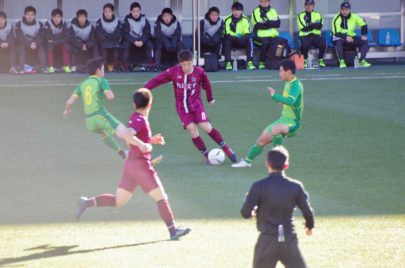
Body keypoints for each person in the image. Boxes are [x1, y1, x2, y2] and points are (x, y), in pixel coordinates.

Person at [75, 88, 191, 240]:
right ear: (150, 104)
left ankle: (87, 203)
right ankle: (173, 230)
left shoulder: (137, 118)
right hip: (141, 166)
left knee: (119, 201)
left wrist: (150, 140)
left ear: (133, 104)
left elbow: (132, 136)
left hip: (131, 166)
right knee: (161, 198)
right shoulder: (140, 119)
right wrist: (143, 145)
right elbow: (128, 134)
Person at [144, 49, 237, 164]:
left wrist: (210, 97)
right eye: (183, 65)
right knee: (192, 130)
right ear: (180, 63)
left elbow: (206, 85)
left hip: (196, 105)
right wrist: (145, 89)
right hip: (182, 108)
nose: (186, 67)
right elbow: (157, 80)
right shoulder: (173, 72)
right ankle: (208, 156)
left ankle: (227, 149)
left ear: (192, 61)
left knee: (206, 128)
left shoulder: (199, 72)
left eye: (188, 64)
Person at [241, 146, 314, 268]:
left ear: (267, 164)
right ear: (286, 165)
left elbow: (245, 212)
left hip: (267, 241)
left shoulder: (259, 186)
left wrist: (252, 212)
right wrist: (309, 225)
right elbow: (307, 211)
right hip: (289, 240)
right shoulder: (296, 186)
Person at [232, 59, 303, 168]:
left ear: (288, 72)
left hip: (293, 123)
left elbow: (291, 101)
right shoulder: (288, 83)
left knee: (276, 130)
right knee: (261, 140)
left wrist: (275, 96)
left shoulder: (296, 85)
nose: (279, 74)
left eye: (280, 71)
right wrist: (281, 103)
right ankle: (247, 161)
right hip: (283, 119)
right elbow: (290, 103)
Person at [63, 58, 128, 159]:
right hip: (100, 116)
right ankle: (141, 157)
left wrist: (67, 110)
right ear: (98, 71)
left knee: (103, 133)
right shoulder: (101, 81)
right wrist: (110, 92)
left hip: (89, 121)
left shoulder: (82, 84)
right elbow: (110, 97)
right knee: (125, 132)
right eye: (103, 69)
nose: (103, 72)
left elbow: (69, 102)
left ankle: (121, 152)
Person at [251, 0, 290, 70]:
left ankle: (279, 60)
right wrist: (271, 23)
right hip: (259, 36)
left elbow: (278, 24)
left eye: (266, 1)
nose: (264, 3)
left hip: (273, 36)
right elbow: (258, 25)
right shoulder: (256, 11)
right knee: (265, 42)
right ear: (260, 2)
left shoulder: (273, 11)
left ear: (269, 2)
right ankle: (262, 62)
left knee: (283, 42)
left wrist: (266, 22)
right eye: (262, 1)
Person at [332, 2, 371, 68]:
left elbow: (363, 24)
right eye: (343, 9)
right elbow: (336, 32)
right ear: (340, 10)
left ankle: (361, 61)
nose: (344, 11)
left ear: (349, 10)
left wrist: (363, 34)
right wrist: (346, 37)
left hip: (351, 36)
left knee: (364, 41)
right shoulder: (336, 18)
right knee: (339, 42)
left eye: (346, 9)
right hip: (339, 37)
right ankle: (342, 62)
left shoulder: (354, 16)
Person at [122, 2, 155, 71]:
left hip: (142, 41)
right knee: (125, 45)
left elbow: (147, 33)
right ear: (131, 12)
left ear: (140, 11)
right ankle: (126, 65)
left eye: (137, 11)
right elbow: (125, 34)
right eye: (134, 11)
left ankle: (150, 65)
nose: (136, 13)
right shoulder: (127, 20)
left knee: (150, 45)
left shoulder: (144, 20)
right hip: (131, 41)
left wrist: (142, 41)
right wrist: (134, 41)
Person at [15, 6, 47, 74]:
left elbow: (41, 36)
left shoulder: (40, 24)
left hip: (35, 44)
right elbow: (19, 37)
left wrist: (34, 43)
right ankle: (21, 68)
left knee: (41, 47)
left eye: (32, 15)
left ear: (35, 15)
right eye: (28, 14)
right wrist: (29, 43)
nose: (30, 16)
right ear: (24, 15)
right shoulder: (19, 24)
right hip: (24, 43)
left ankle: (43, 67)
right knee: (21, 47)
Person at [223, 2, 255, 71]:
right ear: (232, 10)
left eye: (238, 10)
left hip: (242, 40)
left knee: (249, 39)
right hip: (232, 40)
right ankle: (228, 63)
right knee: (226, 41)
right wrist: (236, 38)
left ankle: (250, 62)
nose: (236, 12)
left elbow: (247, 33)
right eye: (234, 10)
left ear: (241, 11)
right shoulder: (227, 19)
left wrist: (242, 38)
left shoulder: (245, 19)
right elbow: (227, 34)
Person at [297, 0, 327, 68]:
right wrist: (314, 25)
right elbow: (303, 28)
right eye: (307, 5)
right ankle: (304, 59)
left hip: (316, 35)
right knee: (304, 45)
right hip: (305, 35)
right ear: (304, 6)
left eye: (310, 5)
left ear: (313, 6)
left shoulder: (318, 14)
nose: (308, 6)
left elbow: (320, 26)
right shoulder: (300, 15)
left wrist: (311, 25)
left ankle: (321, 59)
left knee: (323, 43)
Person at [95, 3, 123, 72]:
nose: (107, 13)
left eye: (109, 11)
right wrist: (108, 39)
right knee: (104, 49)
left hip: (114, 42)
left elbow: (118, 34)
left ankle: (116, 67)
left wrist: (110, 39)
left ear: (112, 12)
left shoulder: (118, 22)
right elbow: (99, 34)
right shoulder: (99, 22)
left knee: (116, 49)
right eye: (105, 11)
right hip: (104, 42)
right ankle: (105, 67)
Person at [44, 8, 72, 73]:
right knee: (49, 44)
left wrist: (55, 40)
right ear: (52, 17)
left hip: (59, 43)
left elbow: (67, 37)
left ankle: (66, 66)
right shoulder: (48, 24)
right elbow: (48, 37)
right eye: (55, 17)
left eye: (58, 17)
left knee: (66, 45)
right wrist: (60, 36)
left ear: (61, 17)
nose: (56, 19)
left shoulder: (65, 24)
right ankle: (50, 66)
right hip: (52, 44)